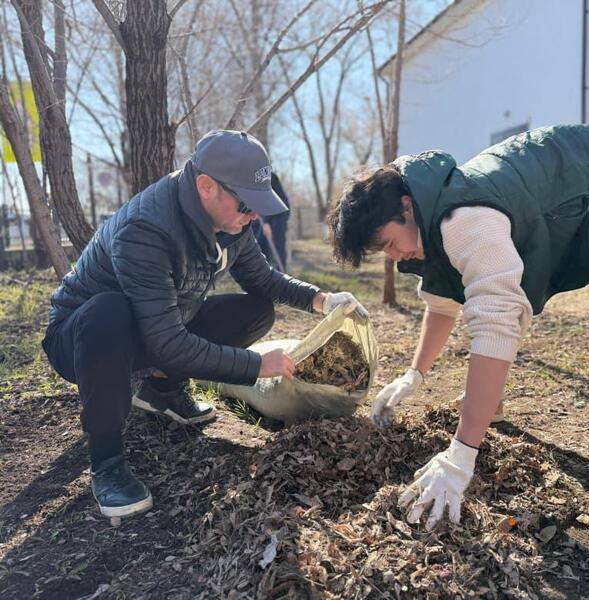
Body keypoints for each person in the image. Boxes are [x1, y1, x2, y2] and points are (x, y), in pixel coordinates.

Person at [329, 124, 589, 563]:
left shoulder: (463, 219)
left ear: (406, 206)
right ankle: (488, 403)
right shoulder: (428, 218)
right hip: (578, 192)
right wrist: (413, 375)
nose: (394, 256)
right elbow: (442, 305)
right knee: (497, 306)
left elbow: (497, 323)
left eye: (389, 243)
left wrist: (461, 454)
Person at [41, 130, 368, 519]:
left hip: (153, 327)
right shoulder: (145, 230)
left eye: (257, 205)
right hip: (83, 340)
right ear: (206, 186)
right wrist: (256, 366)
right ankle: (107, 461)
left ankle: (161, 390)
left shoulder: (232, 223)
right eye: (246, 204)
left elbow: (263, 279)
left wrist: (322, 300)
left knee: (257, 311)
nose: (253, 215)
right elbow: (166, 343)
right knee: (108, 311)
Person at [252, 172, 290, 270]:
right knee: (260, 244)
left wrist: (266, 222)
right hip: (263, 215)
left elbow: (269, 199)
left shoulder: (266, 175)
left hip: (278, 214)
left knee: (277, 244)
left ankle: (281, 272)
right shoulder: (249, 176)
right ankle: (265, 272)